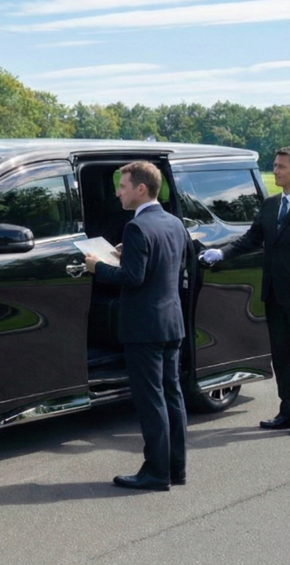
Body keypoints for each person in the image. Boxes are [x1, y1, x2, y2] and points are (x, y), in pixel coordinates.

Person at [201, 146, 290, 437]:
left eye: (281, 166)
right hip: (273, 295)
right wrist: (222, 254)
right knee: (281, 355)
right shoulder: (271, 205)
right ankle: (289, 408)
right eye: (274, 165)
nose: (275, 171)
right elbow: (251, 239)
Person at [84, 161, 189, 491]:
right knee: (172, 396)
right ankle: (176, 468)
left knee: (150, 399)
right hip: (171, 322)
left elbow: (133, 279)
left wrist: (97, 267)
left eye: (123, 186)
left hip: (145, 327)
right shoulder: (173, 223)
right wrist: (128, 255)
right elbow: (165, 265)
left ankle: (156, 472)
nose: (117, 192)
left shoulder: (137, 227)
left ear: (141, 189)